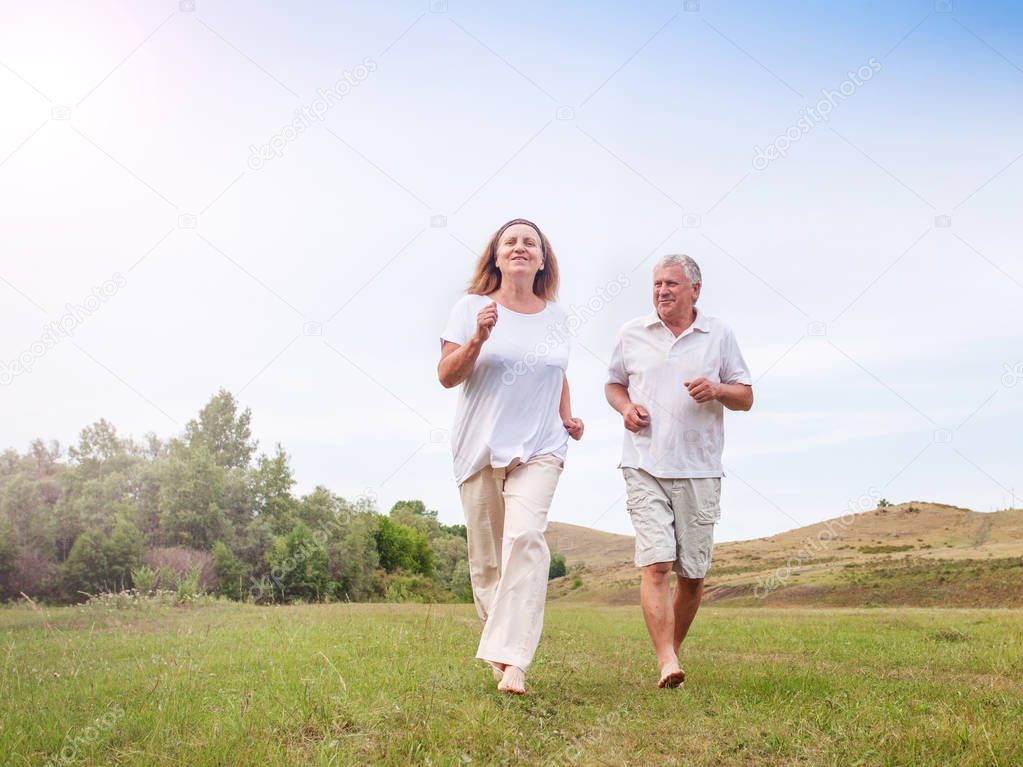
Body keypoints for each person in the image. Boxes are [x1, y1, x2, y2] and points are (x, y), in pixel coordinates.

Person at [438, 218, 584, 695]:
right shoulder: (469, 308)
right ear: (496, 257)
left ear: (542, 260)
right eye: (510, 241)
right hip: (479, 449)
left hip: (541, 447)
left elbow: (556, 372)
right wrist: (479, 338)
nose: (520, 247)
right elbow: (447, 376)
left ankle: (515, 663)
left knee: (525, 540)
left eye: (530, 242)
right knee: (487, 566)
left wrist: (568, 416)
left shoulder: (558, 318)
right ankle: (502, 656)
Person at [605, 254, 752, 688]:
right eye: (656, 284)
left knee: (692, 575)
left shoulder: (719, 334)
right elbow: (613, 384)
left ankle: (671, 652)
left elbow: (745, 397)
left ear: (695, 290)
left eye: (671, 283)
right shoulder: (632, 333)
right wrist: (626, 407)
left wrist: (717, 389)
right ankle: (666, 658)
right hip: (644, 463)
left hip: (700, 469)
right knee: (658, 564)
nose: (662, 291)